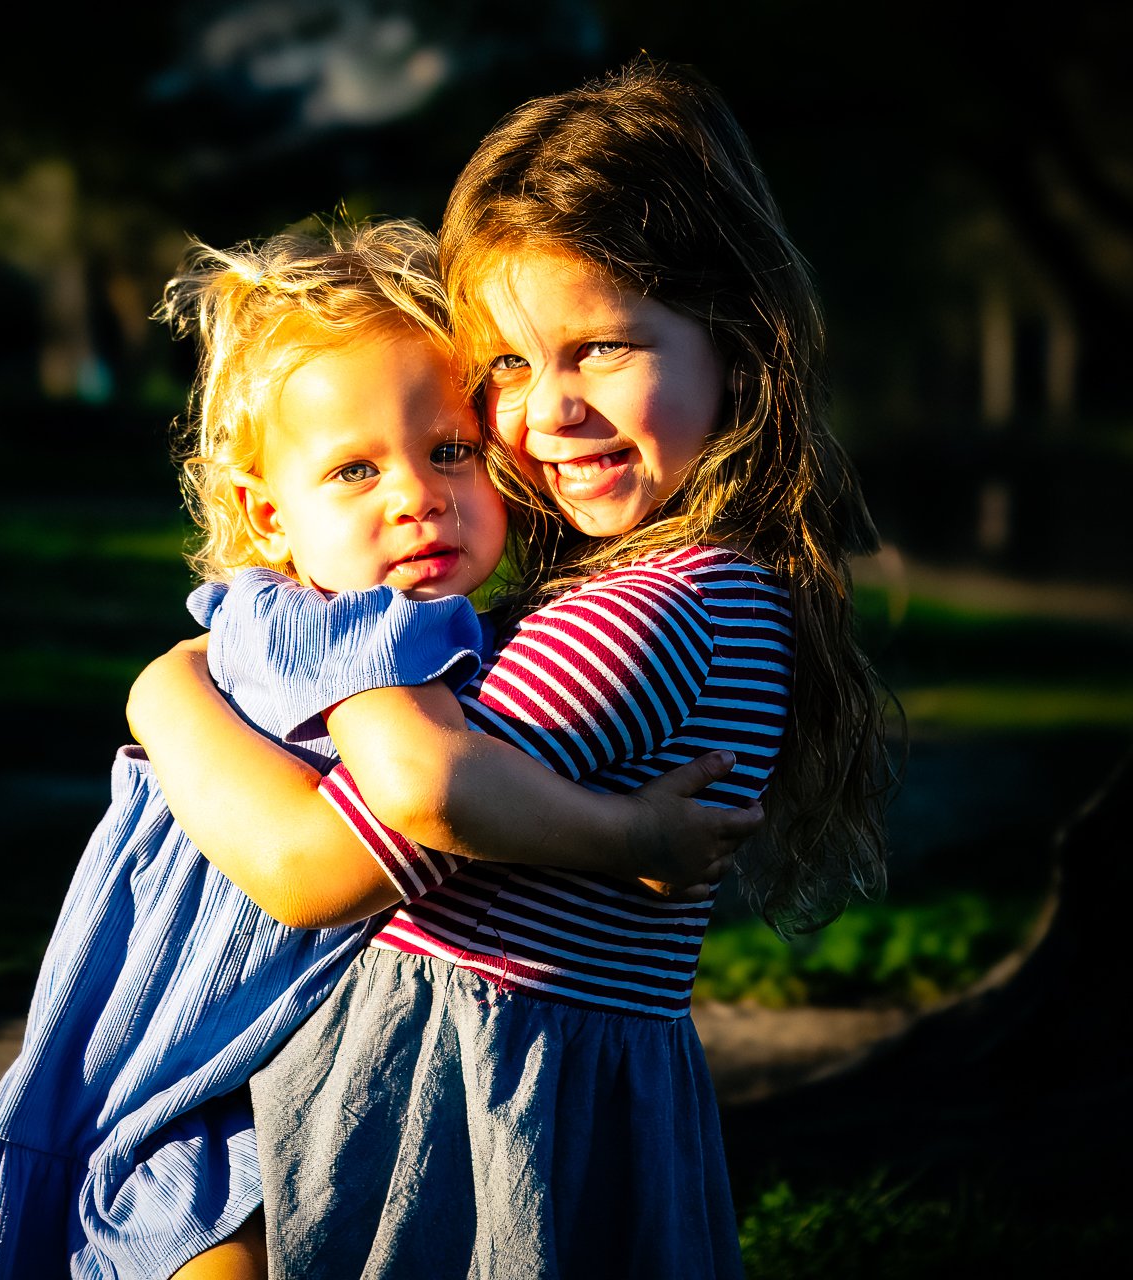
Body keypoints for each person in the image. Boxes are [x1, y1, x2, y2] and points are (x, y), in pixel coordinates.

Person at [128, 59, 889, 1279]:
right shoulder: (674, 585)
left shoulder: (655, 613)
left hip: (471, 1114)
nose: (549, 413)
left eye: (600, 348)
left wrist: (164, 690)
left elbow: (317, 859)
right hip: (507, 1087)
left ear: (736, 343)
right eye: (512, 366)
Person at [0, 218, 758, 1280]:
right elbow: (423, 792)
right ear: (264, 514)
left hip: (239, 1018)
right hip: (221, 1030)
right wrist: (626, 835)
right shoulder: (362, 628)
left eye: (449, 451)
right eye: (352, 470)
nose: (414, 495)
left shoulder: (371, 618)